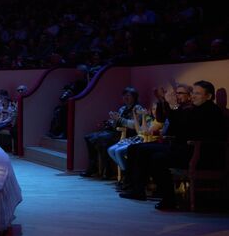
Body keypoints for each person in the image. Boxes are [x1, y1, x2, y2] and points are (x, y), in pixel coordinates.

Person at [120, 81, 226, 210]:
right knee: (136, 148)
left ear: (208, 96)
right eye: (193, 92)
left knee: (158, 158)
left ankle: (168, 199)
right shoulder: (194, 109)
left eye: (197, 93)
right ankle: (136, 189)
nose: (193, 96)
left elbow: (186, 128)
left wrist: (174, 106)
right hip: (182, 148)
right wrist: (171, 106)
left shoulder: (211, 111)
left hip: (199, 154)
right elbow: (175, 128)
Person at [81, 87, 146, 179]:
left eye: (128, 96)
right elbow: (116, 123)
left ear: (134, 97)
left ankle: (106, 171)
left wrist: (118, 119)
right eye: (124, 96)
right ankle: (93, 166)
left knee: (102, 140)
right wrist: (112, 120)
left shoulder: (137, 108)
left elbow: (133, 125)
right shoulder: (122, 108)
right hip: (115, 131)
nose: (125, 98)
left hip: (128, 134)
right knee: (88, 137)